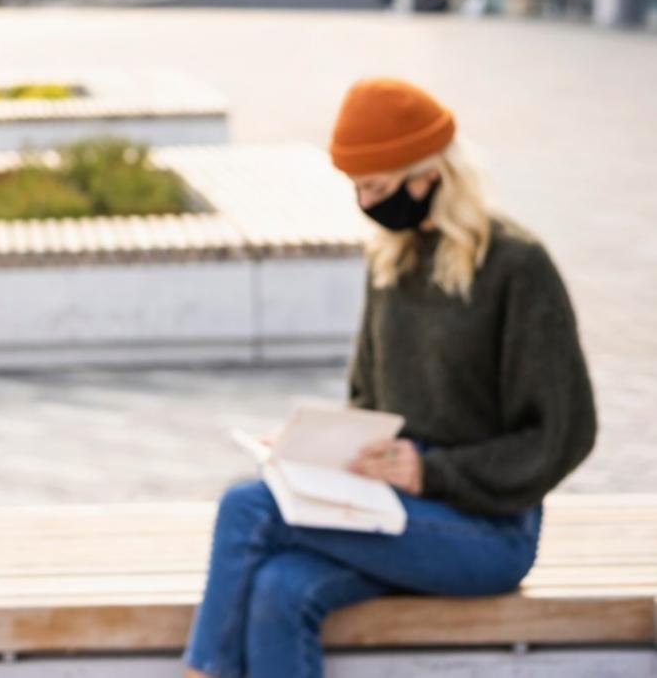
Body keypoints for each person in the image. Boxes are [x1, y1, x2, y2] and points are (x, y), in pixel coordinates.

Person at [183, 78, 596, 678]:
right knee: (279, 587)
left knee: (246, 508)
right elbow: (368, 403)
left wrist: (432, 471)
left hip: (488, 531)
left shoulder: (517, 267)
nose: (365, 202)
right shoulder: (392, 260)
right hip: (391, 512)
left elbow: (564, 434)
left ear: (426, 175)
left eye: (374, 187)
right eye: (355, 188)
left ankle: (198, 673)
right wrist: (310, 451)